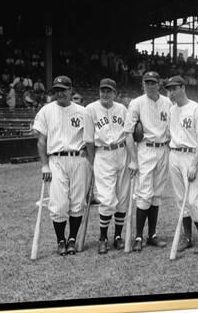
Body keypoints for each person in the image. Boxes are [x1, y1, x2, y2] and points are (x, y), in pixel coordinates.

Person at [32, 75, 92, 256]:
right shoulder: (46, 111)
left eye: (63, 90)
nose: (60, 93)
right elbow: (41, 141)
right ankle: (61, 240)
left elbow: (90, 138)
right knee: (58, 203)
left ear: (70, 90)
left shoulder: (83, 111)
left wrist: (90, 156)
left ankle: (72, 239)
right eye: (56, 90)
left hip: (78, 159)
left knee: (77, 202)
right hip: (56, 159)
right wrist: (44, 165)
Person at [124, 71, 172, 252]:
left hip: (163, 148)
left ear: (159, 83)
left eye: (153, 82)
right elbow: (128, 133)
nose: (150, 85)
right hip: (145, 148)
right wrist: (133, 160)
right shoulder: (136, 103)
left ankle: (152, 235)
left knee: (156, 193)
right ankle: (138, 236)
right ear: (143, 84)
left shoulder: (167, 103)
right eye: (147, 82)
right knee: (144, 193)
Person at [84, 79, 130, 254]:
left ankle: (117, 237)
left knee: (122, 196)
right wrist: (93, 160)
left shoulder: (122, 109)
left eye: (108, 91)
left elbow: (129, 133)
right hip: (103, 153)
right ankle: (102, 238)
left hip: (122, 151)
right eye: (102, 90)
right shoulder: (90, 109)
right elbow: (88, 140)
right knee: (107, 198)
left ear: (114, 93)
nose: (105, 94)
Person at [164, 76, 198, 254]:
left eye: (175, 88)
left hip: (192, 156)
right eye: (169, 89)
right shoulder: (171, 110)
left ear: (183, 88)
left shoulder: (197, 109)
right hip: (174, 154)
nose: (172, 92)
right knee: (181, 199)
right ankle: (188, 238)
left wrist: (194, 163)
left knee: (194, 201)